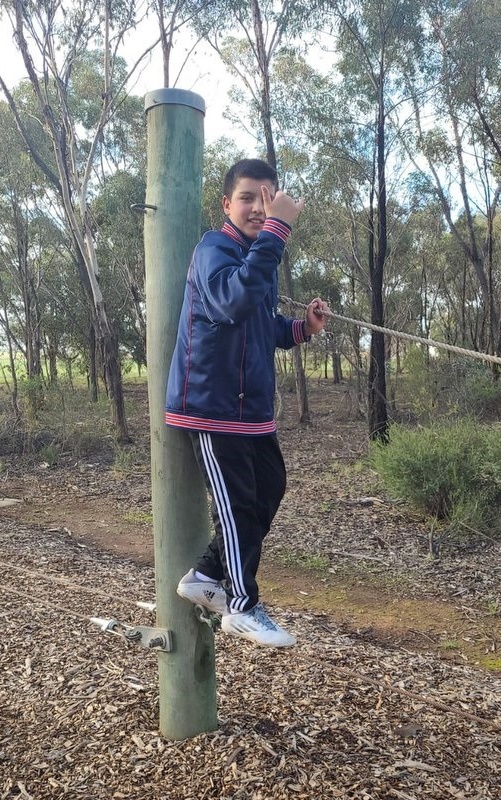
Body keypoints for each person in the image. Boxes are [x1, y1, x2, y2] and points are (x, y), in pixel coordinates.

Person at [166, 158, 329, 648]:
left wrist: (304, 328)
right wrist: (277, 231)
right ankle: (242, 606)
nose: (259, 207)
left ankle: (206, 576)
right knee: (238, 506)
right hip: (213, 406)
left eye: (268, 198)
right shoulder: (213, 250)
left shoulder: (258, 256)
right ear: (226, 204)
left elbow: (261, 321)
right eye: (248, 198)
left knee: (269, 489)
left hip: (251, 408)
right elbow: (231, 302)